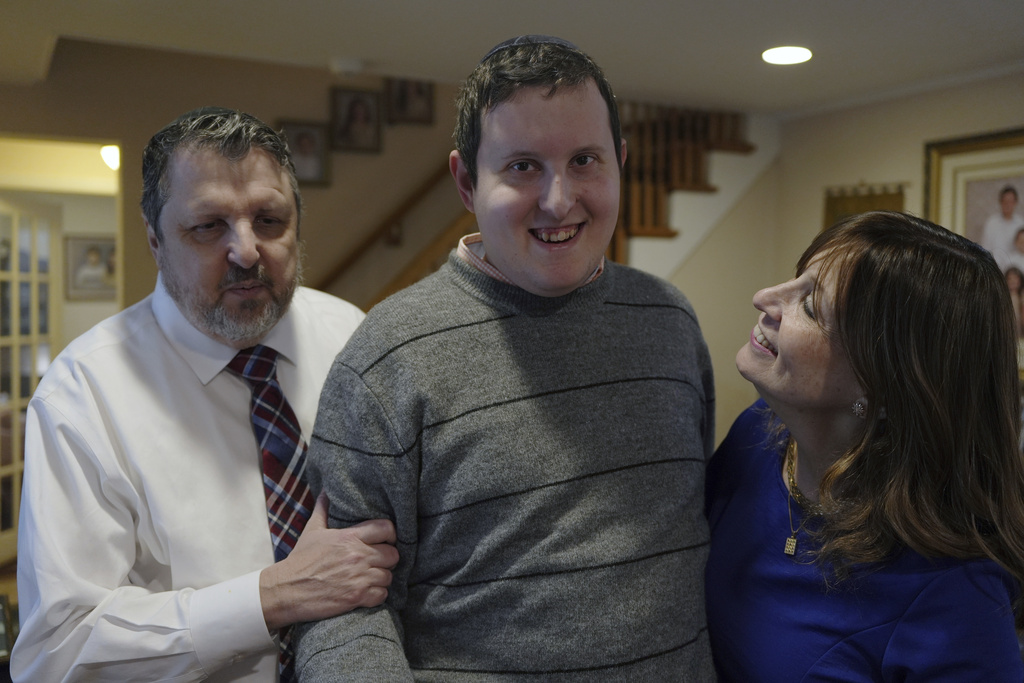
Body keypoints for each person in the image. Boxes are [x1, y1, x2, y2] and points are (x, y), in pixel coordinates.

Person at [294, 35, 716, 680]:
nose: (558, 199)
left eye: (585, 160)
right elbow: (339, 607)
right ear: (466, 181)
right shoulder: (389, 357)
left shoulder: (671, 322)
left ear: (620, 163)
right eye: (522, 166)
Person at [12, 107, 399, 683]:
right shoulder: (82, 395)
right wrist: (271, 598)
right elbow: (56, 655)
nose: (246, 251)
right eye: (208, 226)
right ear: (154, 240)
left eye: (269, 219)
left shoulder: (355, 338)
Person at [706, 211, 1024, 681]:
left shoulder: (953, 597)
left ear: (888, 390)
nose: (764, 298)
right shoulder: (757, 435)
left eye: (811, 306)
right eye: (798, 279)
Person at [980, 184, 1024, 271]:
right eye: (1005, 201)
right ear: (1000, 202)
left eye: (1010, 201)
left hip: (1016, 271)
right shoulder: (991, 222)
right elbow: (985, 249)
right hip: (994, 269)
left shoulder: (1021, 223)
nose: (1007, 204)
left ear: (1015, 203)